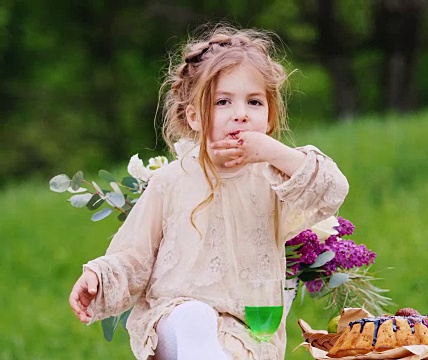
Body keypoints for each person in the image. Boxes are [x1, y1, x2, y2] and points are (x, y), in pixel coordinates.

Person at [68, 24, 349, 360]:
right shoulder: (172, 180)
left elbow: (332, 189)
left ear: (270, 118)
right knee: (194, 318)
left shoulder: (274, 178)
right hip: (174, 320)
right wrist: (98, 277)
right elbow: (134, 255)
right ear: (195, 116)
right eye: (223, 101)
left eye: (255, 102)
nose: (241, 114)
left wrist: (274, 152)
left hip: (248, 332)